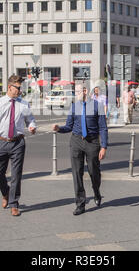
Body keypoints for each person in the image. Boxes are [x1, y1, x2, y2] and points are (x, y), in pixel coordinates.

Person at [0, 75, 37, 217]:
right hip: (1, 142)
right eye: (18, 88)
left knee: (16, 175)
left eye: (21, 88)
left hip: (18, 143)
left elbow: (30, 120)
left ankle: (14, 204)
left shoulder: (24, 104)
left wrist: (32, 126)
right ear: (9, 87)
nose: (20, 91)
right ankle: (5, 193)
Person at [53, 83, 108, 216]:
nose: (75, 94)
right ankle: (80, 203)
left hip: (92, 142)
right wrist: (59, 129)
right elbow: (68, 126)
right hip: (76, 141)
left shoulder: (97, 106)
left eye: (77, 91)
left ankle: (96, 191)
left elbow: (103, 128)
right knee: (77, 173)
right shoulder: (74, 106)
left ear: (84, 91)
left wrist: (104, 146)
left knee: (94, 172)